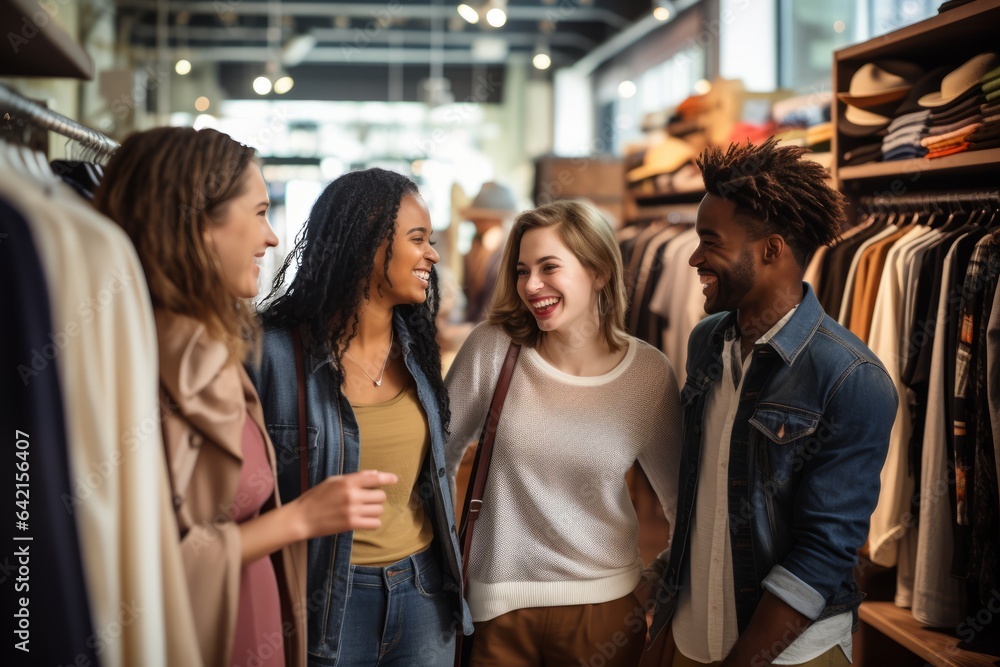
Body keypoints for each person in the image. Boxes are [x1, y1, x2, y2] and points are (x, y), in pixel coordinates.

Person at [93, 127, 396, 667]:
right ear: (199, 225)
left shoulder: (209, 346)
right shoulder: (148, 364)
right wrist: (300, 519)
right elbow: (132, 570)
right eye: (258, 213)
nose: (273, 238)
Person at [644, 138, 898, 667]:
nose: (693, 257)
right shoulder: (707, 341)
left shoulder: (850, 377)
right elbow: (703, 493)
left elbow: (825, 551)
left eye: (709, 241)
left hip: (789, 655)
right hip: (690, 636)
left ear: (772, 249)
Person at [445, 199, 683, 666]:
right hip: (497, 612)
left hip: (607, 615)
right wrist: (444, 570)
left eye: (548, 267)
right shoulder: (494, 349)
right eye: (521, 270)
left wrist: (654, 586)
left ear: (598, 272)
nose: (531, 285)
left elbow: (683, 502)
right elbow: (437, 456)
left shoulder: (649, 374)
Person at [250, 168, 472, 666]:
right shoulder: (273, 355)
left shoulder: (416, 349)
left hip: (421, 593)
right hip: (324, 600)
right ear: (368, 244)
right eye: (418, 240)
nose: (432, 255)